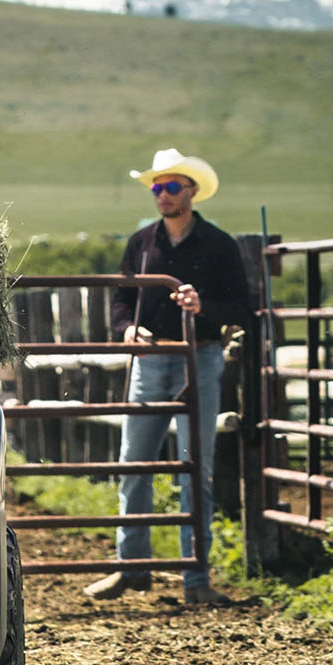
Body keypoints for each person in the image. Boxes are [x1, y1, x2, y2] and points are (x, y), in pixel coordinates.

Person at [83, 148, 252, 606]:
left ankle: (194, 580)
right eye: (157, 187)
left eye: (172, 186)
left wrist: (205, 309)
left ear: (192, 191)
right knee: (133, 464)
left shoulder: (219, 245)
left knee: (196, 470)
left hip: (200, 358)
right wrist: (127, 328)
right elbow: (121, 300)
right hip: (151, 357)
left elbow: (243, 308)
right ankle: (131, 567)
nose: (163, 194)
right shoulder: (141, 242)